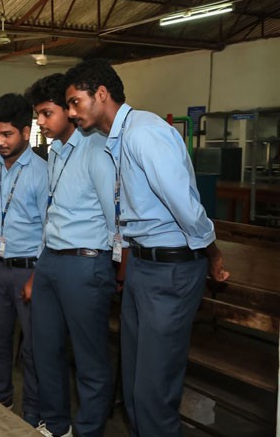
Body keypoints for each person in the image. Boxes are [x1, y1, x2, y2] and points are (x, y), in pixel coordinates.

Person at [64, 59, 230, 437]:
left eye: (75, 102)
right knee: (135, 386)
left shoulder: (145, 133)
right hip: (142, 265)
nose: (71, 113)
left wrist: (213, 253)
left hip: (170, 268)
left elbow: (186, 205)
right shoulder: (117, 140)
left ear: (101, 95)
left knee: (154, 390)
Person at [25, 73, 117, 437]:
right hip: (50, 261)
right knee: (45, 350)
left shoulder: (98, 150)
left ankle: (89, 431)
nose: (41, 123)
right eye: (38, 115)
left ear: (69, 108)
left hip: (85, 262)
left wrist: (115, 270)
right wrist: (38, 267)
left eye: (47, 113)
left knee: (89, 359)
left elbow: (116, 218)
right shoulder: (55, 153)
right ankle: (57, 425)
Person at [0, 93, 47, 425]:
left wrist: (37, 277)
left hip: (29, 270)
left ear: (26, 130)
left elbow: (51, 231)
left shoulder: (42, 172)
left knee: (33, 349)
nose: (0, 142)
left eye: (8, 135)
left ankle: (32, 413)